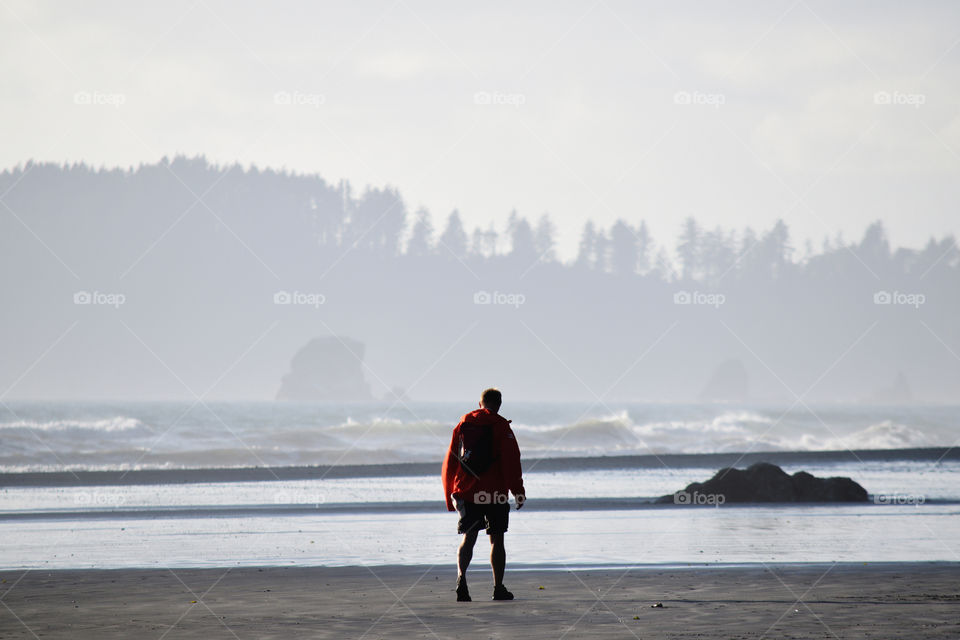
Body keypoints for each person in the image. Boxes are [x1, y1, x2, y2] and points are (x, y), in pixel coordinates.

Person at [442, 387, 526, 602]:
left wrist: (449, 494)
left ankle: (461, 580)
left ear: (480, 403)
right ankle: (498, 588)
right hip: (495, 493)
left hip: (467, 491)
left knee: (469, 537)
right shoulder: (501, 426)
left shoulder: (463, 425)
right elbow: (511, 462)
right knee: (496, 540)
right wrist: (518, 491)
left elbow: (450, 461)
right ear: (499, 405)